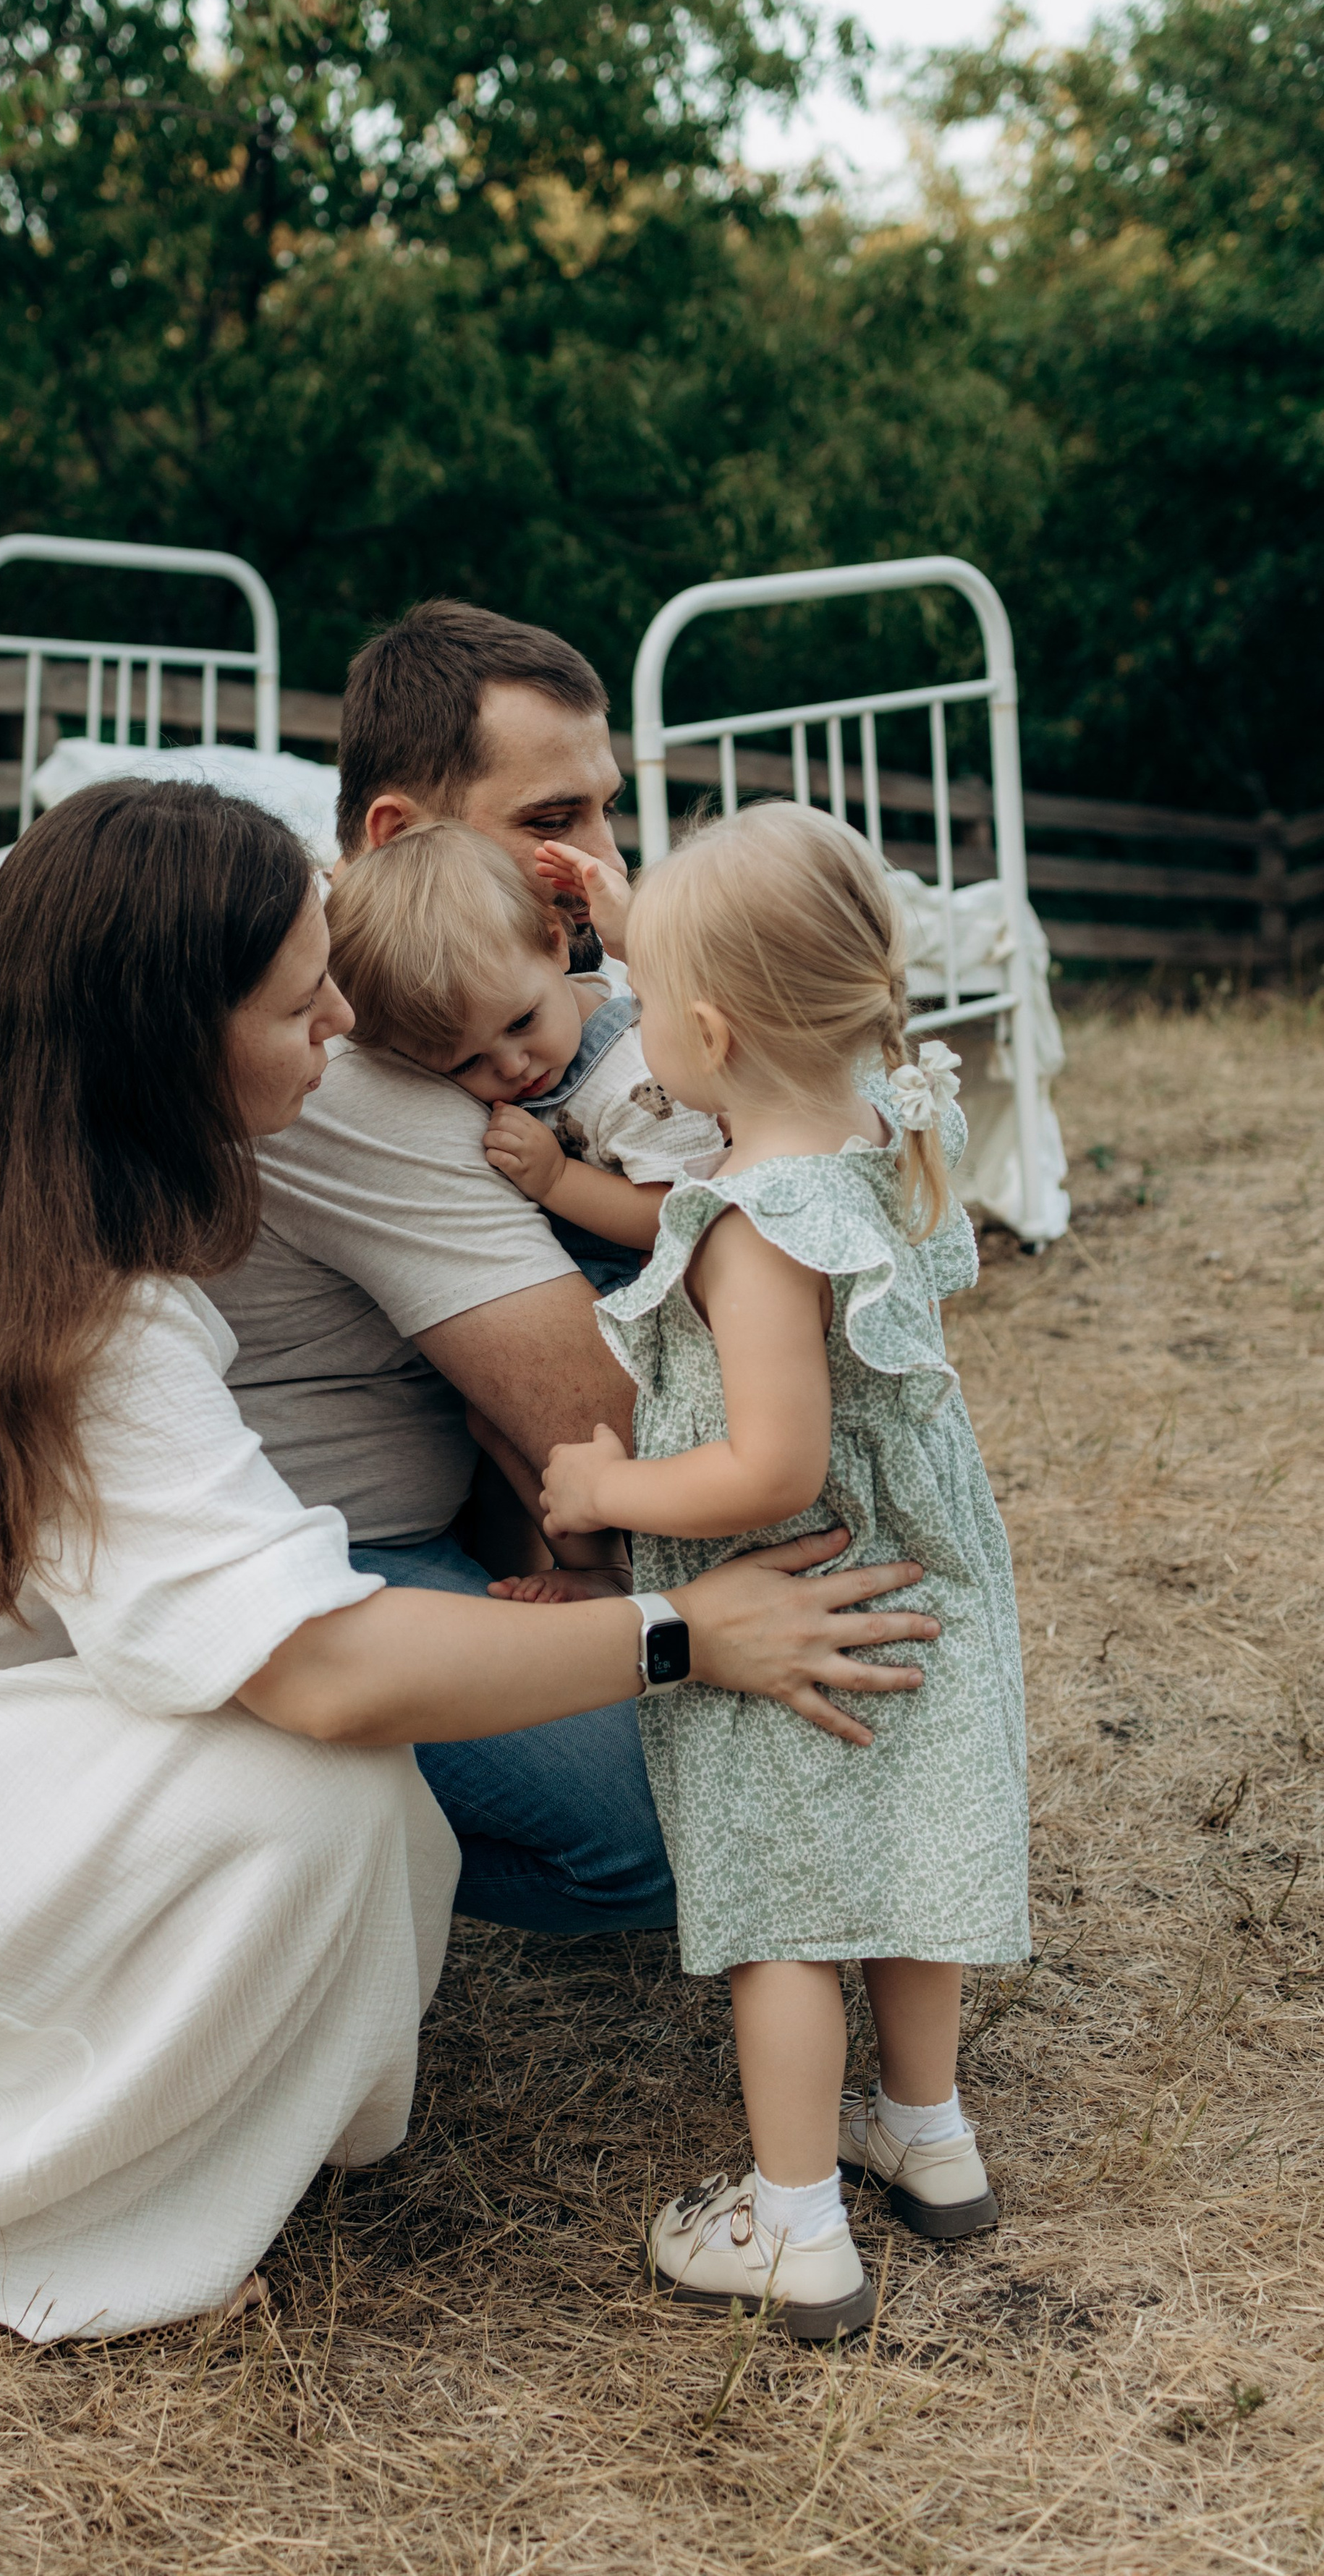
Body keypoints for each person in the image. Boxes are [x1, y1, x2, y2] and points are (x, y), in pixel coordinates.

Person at [0, 781, 939, 2344]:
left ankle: (125, 2084)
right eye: (299, 997)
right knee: (318, 1789)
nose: (339, 1017)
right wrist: (680, 1632)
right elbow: (317, 1668)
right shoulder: (72, 1308)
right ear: (171, 1034)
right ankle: (86, 2199)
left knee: (340, 1783)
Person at [532, 807, 1030, 2341]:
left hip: (791, 1582)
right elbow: (714, 1129)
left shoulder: (755, 1224)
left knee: (787, 1913)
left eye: (647, 1000)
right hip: (912, 1583)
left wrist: (607, 1484)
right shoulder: (872, 1125)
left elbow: (770, 1467)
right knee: (898, 1861)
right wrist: (634, 918)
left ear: (704, 1028)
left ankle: (794, 2225)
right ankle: (925, 2135)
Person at [205, 600, 685, 1932]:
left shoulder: (501, 1001)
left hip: (452, 1514)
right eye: (551, 823)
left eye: (607, 812)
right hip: (330, 1563)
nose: (599, 863)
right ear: (396, 840)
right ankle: (287, 1841)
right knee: (661, 1822)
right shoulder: (373, 1069)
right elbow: (615, 1430)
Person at [323, 820, 721, 1295]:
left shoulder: (638, 1080)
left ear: (556, 943)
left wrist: (555, 1180)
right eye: (466, 1064)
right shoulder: (519, 1021)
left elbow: (685, 1215)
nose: (512, 1067)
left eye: (521, 1023)